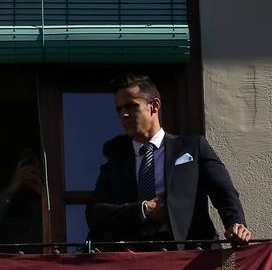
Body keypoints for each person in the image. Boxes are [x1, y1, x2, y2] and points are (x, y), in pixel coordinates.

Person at [86, 74, 252, 247]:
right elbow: (94, 214)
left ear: (154, 106)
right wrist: (144, 209)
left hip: (190, 256)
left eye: (131, 106)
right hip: (134, 260)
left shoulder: (193, 148)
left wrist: (236, 224)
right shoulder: (114, 165)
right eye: (119, 109)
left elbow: (223, 191)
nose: (124, 114)